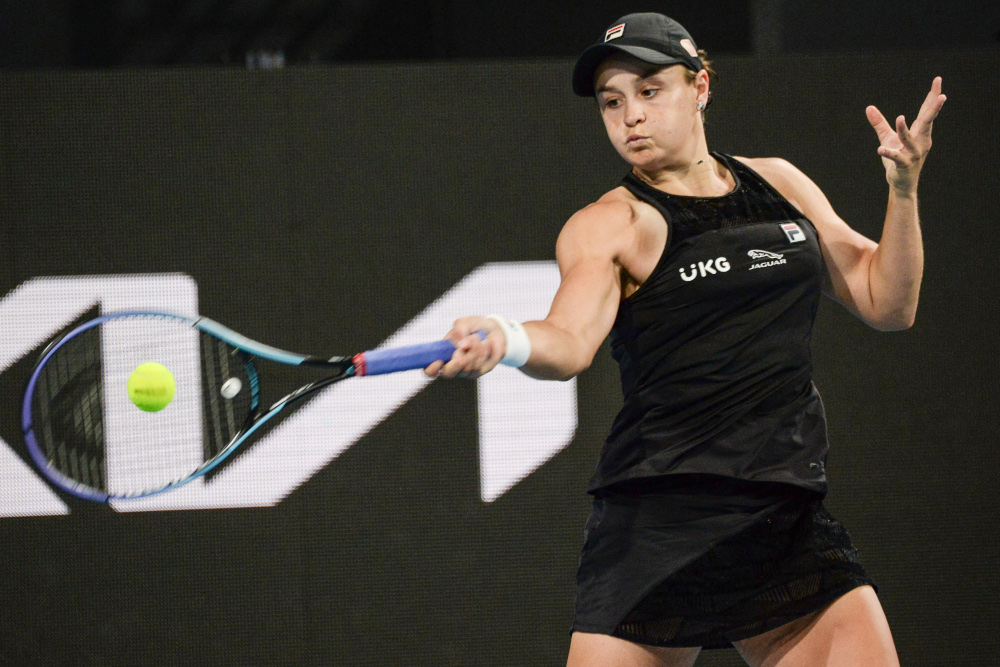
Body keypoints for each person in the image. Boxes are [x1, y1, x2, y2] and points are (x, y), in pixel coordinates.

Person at [425, 12, 945, 667]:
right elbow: (569, 340)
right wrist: (505, 336)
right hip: (657, 528)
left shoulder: (778, 184)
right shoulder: (609, 225)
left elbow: (888, 301)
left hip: (780, 517)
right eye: (612, 102)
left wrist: (903, 190)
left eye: (649, 91)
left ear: (700, 85)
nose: (629, 117)